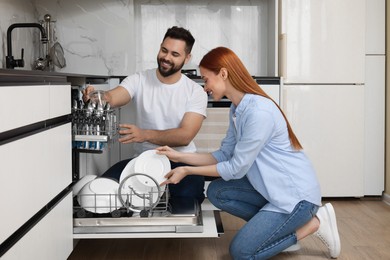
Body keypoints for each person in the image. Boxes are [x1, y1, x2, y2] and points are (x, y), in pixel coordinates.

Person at [156, 47, 341, 259]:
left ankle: (313, 224)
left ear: (223, 74)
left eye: (206, 80)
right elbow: (224, 154)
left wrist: (188, 170)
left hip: (296, 198)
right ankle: (274, 233)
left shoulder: (258, 113)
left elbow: (235, 168)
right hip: (272, 190)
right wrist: (178, 157)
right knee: (217, 191)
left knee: (241, 252)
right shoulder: (237, 108)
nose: (205, 87)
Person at [84, 26, 208, 204]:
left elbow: (185, 136)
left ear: (187, 58)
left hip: (182, 162)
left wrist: (144, 135)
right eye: (164, 50)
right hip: (143, 162)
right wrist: (98, 97)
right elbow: (113, 96)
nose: (166, 57)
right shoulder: (139, 79)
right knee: (100, 194)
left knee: (186, 203)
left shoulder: (195, 91)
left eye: (175, 54)